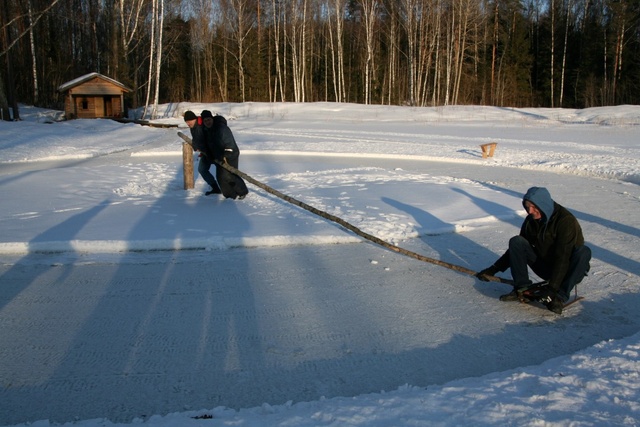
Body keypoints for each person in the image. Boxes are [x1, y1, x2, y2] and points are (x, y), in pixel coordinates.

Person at [476, 187, 591, 314]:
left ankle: (560, 296)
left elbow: (563, 256)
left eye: (534, 207)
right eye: (527, 207)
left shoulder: (565, 221)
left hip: (568, 270)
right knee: (517, 241)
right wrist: (493, 269)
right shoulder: (531, 221)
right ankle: (522, 288)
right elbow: (516, 250)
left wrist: (552, 288)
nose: (530, 211)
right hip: (545, 267)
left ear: (544, 204)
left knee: (583, 252)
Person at [204, 112, 249, 200]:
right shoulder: (208, 130)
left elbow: (230, 144)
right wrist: (210, 154)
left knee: (229, 175)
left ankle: (242, 191)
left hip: (230, 154)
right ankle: (230, 196)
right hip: (219, 157)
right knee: (220, 177)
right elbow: (210, 144)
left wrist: (225, 155)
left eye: (209, 119)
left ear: (212, 119)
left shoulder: (222, 129)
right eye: (205, 121)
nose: (207, 122)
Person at [183, 110, 221, 196]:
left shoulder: (201, 125)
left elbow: (208, 139)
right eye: (186, 122)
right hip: (205, 153)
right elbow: (197, 139)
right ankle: (215, 187)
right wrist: (196, 146)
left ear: (194, 119)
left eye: (189, 122)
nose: (188, 124)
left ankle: (232, 189)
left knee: (222, 171)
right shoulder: (193, 127)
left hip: (213, 152)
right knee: (202, 169)